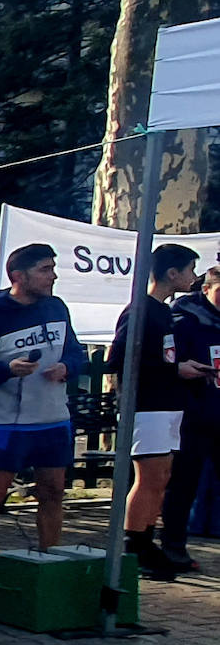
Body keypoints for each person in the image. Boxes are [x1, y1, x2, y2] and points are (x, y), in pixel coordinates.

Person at [0, 244, 87, 598]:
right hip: (8, 424)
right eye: (45, 269)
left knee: (53, 491)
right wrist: (5, 370)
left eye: (52, 268)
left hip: (53, 419)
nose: (53, 276)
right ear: (19, 276)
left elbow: (76, 351)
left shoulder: (57, 306)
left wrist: (68, 367)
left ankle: (51, 562)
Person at [108, 244, 206, 579]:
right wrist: (175, 370)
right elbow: (119, 358)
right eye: (191, 270)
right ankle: (133, 543)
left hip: (168, 404)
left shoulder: (165, 311)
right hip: (146, 405)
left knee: (162, 476)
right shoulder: (140, 311)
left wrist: (181, 367)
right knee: (147, 477)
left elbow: (166, 359)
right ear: (172, 273)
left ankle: (147, 538)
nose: (195, 277)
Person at [161, 263, 220, 571]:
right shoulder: (184, 321)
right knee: (183, 484)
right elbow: (167, 362)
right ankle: (173, 547)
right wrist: (185, 368)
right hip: (195, 415)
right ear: (206, 289)